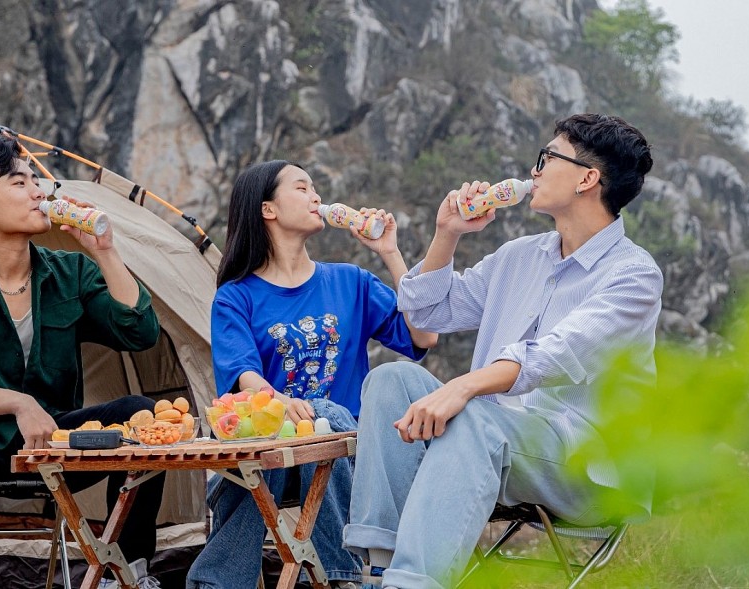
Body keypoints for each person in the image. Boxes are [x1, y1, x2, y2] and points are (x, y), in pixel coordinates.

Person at [342, 113, 664, 589]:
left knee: (474, 413)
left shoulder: (634, 276)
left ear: (587, 178)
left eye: (546, 158)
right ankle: (380, 569)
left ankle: (413, 584)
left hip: (585, 464)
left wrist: (464, 387)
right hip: (491, 441)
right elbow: (428, 313)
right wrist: (448, 232)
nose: (533, 171)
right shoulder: (520, 255)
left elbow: (555, 353)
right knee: (391, 379)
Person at [0, 135, 165, 589]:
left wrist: (104, 251)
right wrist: (19, 403)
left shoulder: (70, 272)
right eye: (20, 182)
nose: (40, 192)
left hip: (58, 445)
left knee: (140, 415)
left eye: (37, 182)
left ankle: (126, 575)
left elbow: (138, 332)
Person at [185, 161, 437, 589]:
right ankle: (328, 579)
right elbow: (245, 376)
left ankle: (318, 575)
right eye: (302, 188)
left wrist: (390, 253)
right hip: (278, 453)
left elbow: (424, 336)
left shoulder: (350, 281)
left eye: (315, 188)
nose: (316, 197)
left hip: (349, 451)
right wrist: (281, 402)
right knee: (271, 442)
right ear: (268, 209)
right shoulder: (236, 297)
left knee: (322, 415)